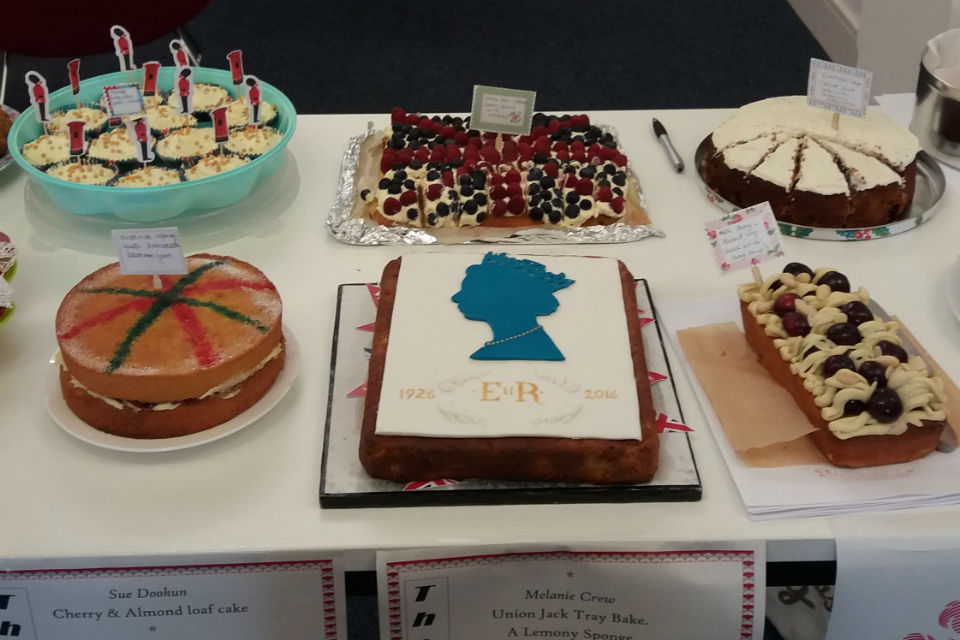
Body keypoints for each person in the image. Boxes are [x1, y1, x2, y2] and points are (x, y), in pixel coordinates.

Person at [451, 252, 574, 361]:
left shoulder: (536, 348)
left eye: (469, 290)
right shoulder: (509, 343)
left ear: (502, 297)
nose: (456, 297)